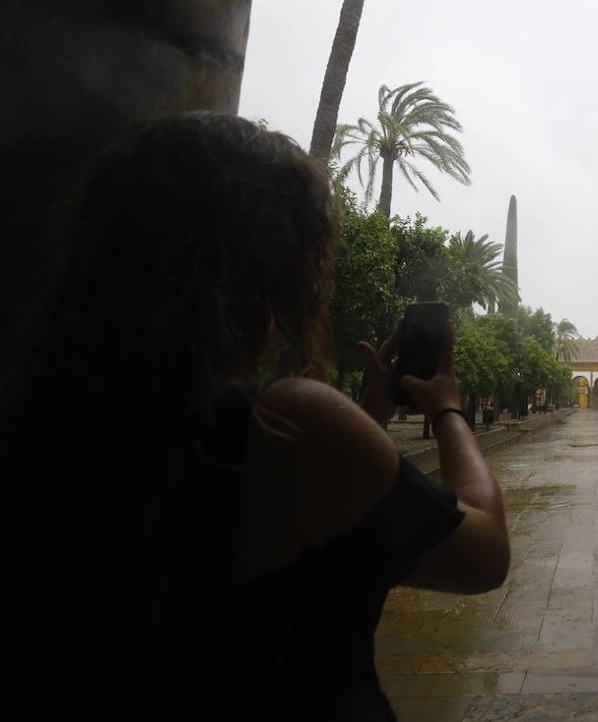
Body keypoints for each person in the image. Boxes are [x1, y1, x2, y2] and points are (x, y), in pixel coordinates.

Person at [0, 114, 509, 719]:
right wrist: (448, 407)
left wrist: (367, 411)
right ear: (274, 269)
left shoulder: (46, 428)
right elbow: (482, 553)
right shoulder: (289, 423)